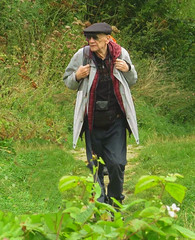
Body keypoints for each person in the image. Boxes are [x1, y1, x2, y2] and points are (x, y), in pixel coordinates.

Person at [63, 22, 139, 205]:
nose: (90, 41)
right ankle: (100, 206)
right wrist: (78, 75)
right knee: (95, 167)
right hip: (92, 122)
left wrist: (128, 69)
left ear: (107, 39)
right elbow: (68, 81)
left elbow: (133, 80)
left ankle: (115, 202)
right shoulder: (83, 55)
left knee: (117, 164)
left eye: (95, 38)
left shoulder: (120, 54)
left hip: (116, 121)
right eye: (88, 37)